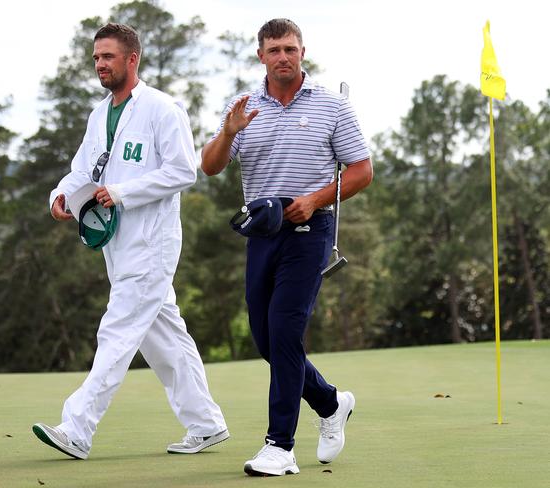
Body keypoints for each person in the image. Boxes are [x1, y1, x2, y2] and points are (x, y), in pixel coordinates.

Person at [32, 23, 228, 460]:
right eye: (96, 57)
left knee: (117, 331)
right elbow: (83, 169)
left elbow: (183, 171)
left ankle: (77, 428)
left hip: (152, 243)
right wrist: (59, 196)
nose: (100, 64)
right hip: (115, 244)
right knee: (163, 336)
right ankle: (206, 423)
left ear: (132, 59)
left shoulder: (163, 108)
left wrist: (122, 192)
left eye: (109, 57)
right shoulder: (99, 114)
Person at [201, 18, 372, 476]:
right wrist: (229, 132)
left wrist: (315, 199)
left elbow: (361, 170)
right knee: (265, 336)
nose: (283, 56)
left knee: (285, 330)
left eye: (290, 49)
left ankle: (280, 446)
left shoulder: (332, 107)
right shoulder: (242, 108)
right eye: (274, 49)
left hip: (310, 233)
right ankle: (331, 402)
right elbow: (211, 166)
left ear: (302, 52)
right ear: (261, 55)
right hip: (261, 232)